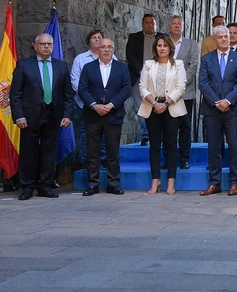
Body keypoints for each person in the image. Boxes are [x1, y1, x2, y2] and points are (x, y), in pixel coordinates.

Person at [11, 34, 75, 200]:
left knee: (49, 152)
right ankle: (27, 186)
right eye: (43, 44)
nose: (47, 47)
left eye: (49, 44)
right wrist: (19, 116)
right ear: (35, 46)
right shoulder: (24, 65)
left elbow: (68, 94)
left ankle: (45, 185)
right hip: (30, 116)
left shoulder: (61, 66)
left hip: (53, 114)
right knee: (28, 151)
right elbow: (15, 94)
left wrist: (67, 115)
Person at [198, 26, 237, 197]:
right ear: (215, 39)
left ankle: (234, 183)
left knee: (235, 146)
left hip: (233, 109)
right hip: (212, 110)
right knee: (214, 147)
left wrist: (227, 101)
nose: (224, 39)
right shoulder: (206, 59)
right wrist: (216, 102)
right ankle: (215, 183)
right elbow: (203, 83)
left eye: (226, 36)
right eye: (220, 37)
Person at [77, 37, 131, 196]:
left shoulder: (122, 68)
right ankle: (92, 184)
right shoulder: (88, 67)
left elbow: (126, 89)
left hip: (113, 115)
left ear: (113, 49)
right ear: (97, 49)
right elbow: (82, 89)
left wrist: (111, 104)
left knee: (112, 152)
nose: (106, 50)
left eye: (109, 47)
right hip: (93, 115)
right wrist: (94, 105)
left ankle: (113, 184)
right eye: (103, 47)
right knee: (92, 152)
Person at [137, 35, 187, 196]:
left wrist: (165, 104)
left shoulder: (178, 64)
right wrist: (155, 104)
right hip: (152, 107)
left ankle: (171, 180)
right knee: (154, 145)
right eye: (159, 45)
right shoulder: (148, 64)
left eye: (165, 45)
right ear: (155, 48)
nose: (162, 48)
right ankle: (155, 180)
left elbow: (181, 87)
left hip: (171, 107)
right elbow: (142, 86)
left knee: (171, 144)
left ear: (170, 48)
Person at [70, 28, 107, 164]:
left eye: (99, 38)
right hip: (85, 104)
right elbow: (75, 81)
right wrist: (90, 99)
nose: (97, 40)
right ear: (88, 41)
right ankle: (87, 163)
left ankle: (103, 162)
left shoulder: (111, 57)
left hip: (105, 105)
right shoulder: (80, 59)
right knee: (86, 135)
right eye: (94, 38)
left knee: (104, 135)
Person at [169, 16, 199, 170]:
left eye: (179, 24)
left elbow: (193, 66)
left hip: (185, 92)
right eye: (174, 24)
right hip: (166, 93)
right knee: (168, 127)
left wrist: (179, 84)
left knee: (185, 126)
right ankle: (169, 159)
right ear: (169, 26)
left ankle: (184, 158)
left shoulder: (191, 44)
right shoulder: (163, 43)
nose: (177, 26)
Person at [126, 14, 159, 145]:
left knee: (156, 105)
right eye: (147, 22)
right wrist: (142, 71)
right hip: (138, 78)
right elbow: (130, 55)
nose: (150, 25)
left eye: (152, 23)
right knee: (140, 106)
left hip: (158, 79)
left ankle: (157, 135)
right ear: (142, 24)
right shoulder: (134, 38)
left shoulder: (162, 38)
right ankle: (146, 135)